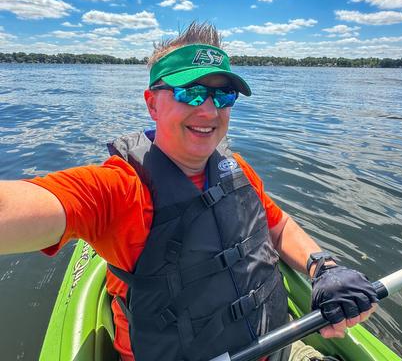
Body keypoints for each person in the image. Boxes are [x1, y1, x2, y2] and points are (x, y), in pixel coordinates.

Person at [0, 21, 378, 361]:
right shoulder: (119, 189)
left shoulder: (237, 169)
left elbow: (276, 226)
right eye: (192, 93)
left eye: (224, 96)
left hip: (277, 345)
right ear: (153, 103)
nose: (210, 111)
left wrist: (323, 267)